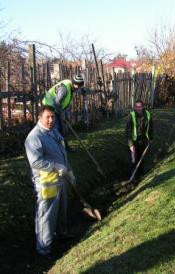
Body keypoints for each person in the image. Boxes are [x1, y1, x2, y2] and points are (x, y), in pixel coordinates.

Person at [25, 105, 76, 256]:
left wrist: (69, 170)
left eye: (53, 117)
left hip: (61, 179)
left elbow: (62, 153)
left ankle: (62, 235)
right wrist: (56, 167)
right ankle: (44, 249)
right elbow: (35, 162)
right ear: (39, 118)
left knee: (61, 210)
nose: (51, 120)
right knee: (46, 216)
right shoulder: (34, 137)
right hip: (46, 183)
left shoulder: (53, 131)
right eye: (48, 117)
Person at [42, 75, 85, 147]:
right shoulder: (64, 89)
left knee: (61, 128)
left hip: (56, 107)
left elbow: (65, 103)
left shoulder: (72, 87)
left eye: (81, 86)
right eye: (79, 86)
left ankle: (64, 147)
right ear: (74, 84)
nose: (79, 88)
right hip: (49, 106)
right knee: (56, 128)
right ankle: (57, 148)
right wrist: (62, 114)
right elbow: (57, 103)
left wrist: (65, 114)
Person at [126, 100, 153, 182]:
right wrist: (130, 145)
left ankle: (141, 175)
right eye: (137, 107)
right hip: (134, 141)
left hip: (143, 140)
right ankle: (133, 177)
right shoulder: (131, 116)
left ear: (143, 106)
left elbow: (151, 127)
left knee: (141, 158)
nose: (138, 108)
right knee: (134, 159)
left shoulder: (148, 115)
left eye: (140, 106)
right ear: (134, 107)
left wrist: (151, 138)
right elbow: (128, 131)